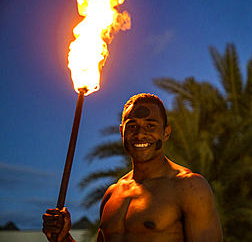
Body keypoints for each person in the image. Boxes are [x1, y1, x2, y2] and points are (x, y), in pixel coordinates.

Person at [42, 93, 223, 242]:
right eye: (133, 126)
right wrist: (64, 238)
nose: (140, 134)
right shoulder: (112, 194)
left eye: (150, 126)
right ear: (122, 132)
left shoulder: (189, 187)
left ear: (165, 133)